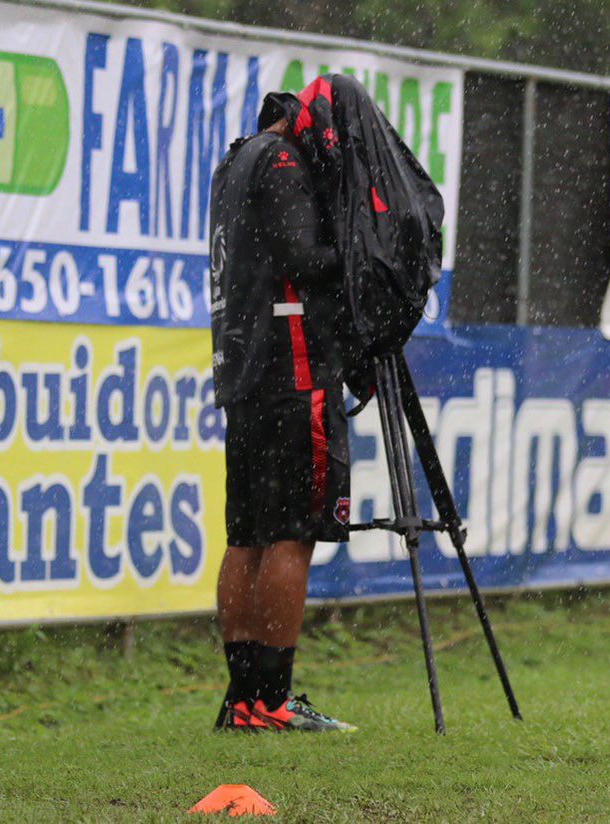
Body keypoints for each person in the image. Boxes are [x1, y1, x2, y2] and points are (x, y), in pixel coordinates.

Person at [209, 91, 356, 733]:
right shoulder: (286, 163)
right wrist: (358, 253)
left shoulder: (234, 161)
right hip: (291, 372)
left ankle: (244, 699)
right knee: (291, 533)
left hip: (241, 369)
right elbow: (302, 260)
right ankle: (271, 699)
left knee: (246, 535)